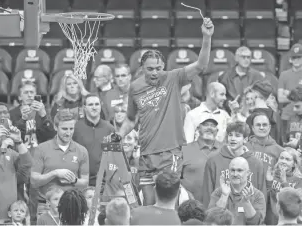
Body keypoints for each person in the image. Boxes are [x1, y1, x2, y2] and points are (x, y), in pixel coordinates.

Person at [112, 18, 214, 205]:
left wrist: (206, 37)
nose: (154, 72)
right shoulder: (135, 87)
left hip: (170, 153)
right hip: (146, 154)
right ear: (141, 67)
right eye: (150, 69)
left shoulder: (173, 78)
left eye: (159, 68)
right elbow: (130, 119)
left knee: (167, 205)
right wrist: (119, 134)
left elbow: (201, 65)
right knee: (149, 204)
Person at [31, 110, 89, 216]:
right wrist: (55, 173)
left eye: (71, 129)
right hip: (46, 206)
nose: (68, 133)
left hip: (72, 205)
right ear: (55, 127)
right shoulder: (42, 149)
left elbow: (85, 182)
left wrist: (74, 180)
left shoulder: (82, 151)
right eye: (64, 129)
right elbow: (34, 181)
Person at [202, 122, 266, 208]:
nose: (232, 139)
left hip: (248, 215)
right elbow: (207, 193)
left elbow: (262, 194)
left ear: (245, 139)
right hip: (220, 214)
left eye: (237, 135)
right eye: (230, 135)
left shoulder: (256, 163)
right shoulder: (213, 160)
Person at [208, 157, 266, 225]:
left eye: (239, 170)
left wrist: (246, 202)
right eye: (232, 170)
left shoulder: (258, 195)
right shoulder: (218, 192)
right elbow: (212, 219)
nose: (235, 174)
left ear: (248, 173)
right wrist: (224, 195)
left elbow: (256, 223)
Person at [72, 94, 115, 186]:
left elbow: (114, 156)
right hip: (80, 181)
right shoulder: (76, 128)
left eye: (97, 104)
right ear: (84, 108)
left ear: (100, 106)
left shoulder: (110, 128)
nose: (94, 107)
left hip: (104, 182)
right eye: (90, 105)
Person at [181, 116, 223, 201]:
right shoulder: (184, 149)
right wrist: (184, 193)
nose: (209, 128)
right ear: (198, 128)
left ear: (217, 130)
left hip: (218, 205)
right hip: (190, 205)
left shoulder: (225, 149)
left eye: (213, 125)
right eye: (205, 124)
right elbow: (175, 177)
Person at [9, 81, 55, 152]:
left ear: (35, 95)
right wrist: (23, 119)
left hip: (40, 151)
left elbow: (51, 134)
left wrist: (44, 116)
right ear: (20, 97)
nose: (29, 95)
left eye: (32, 92)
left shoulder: (43, 112)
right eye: (26, 92)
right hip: (19, 152)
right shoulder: (12, 113)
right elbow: (12, 135)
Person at [278, 44, 302, 139]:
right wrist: (299, 96)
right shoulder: (284, 75)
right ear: (290, 59)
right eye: (294, 57)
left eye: (299, 57)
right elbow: (280, 98)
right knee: (286, 146)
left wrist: (288, 94)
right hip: (286, 116)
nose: (296, 60)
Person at [265, 148, 302, 225]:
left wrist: (284, 182)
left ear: (294, 163)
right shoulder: (272, 174)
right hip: (270, 219)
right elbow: (266, 198)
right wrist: (269, 182)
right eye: (281, 158)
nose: (283, 161)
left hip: (287, 221)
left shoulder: (299, 180)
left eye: (287, 159)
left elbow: (295, 202)